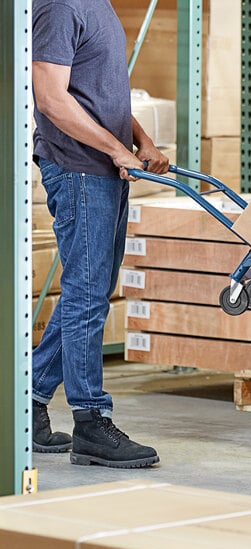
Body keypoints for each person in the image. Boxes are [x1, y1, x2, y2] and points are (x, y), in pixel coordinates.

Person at [31, 0, 169, 468]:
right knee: (87, 293)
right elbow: (51, 96)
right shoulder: (59, 5)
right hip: (78, 169)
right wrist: (115, 150)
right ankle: (90, 420)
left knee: (86, 294)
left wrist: (140, 140)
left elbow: (100, 91)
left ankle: (26, 402)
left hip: (104, 168)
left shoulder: (98, 5)